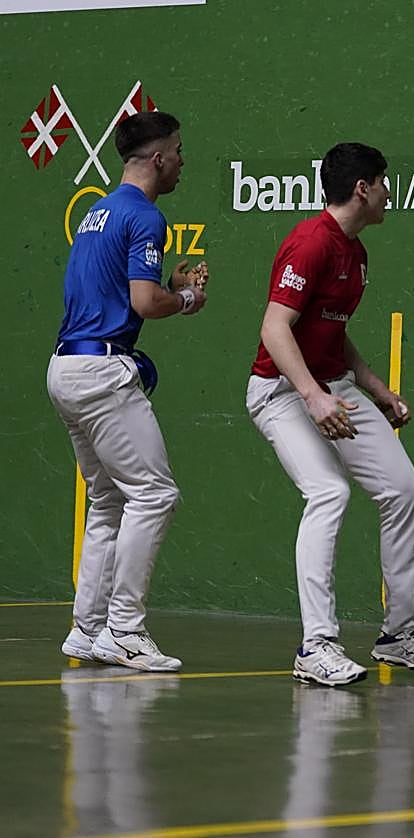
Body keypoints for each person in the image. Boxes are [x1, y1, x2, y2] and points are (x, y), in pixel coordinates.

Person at [246, 142, 414, 687]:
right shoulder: (310, 242)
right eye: (384, 181)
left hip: (335, 386)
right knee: (328, 493)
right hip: (280, 392)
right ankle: (316, 646)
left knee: (404, 490)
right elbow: (275, 328)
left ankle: (400, 635)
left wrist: (377, 388)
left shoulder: (355, 252)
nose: (389, 191)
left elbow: (332, 330)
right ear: (363, 187)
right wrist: (314, 398)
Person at [49, 111, 208, 673]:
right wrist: (186, 299)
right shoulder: (145, 217)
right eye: (179, 151)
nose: (184, 161)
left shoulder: (98, 211)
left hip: (66, 367)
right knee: (154, 495)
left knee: (109, 500)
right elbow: (144, 302)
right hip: (101, 374)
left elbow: (118, 293)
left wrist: (168, 289)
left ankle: (86, 628)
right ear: (159, 157)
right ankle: (124, 629)